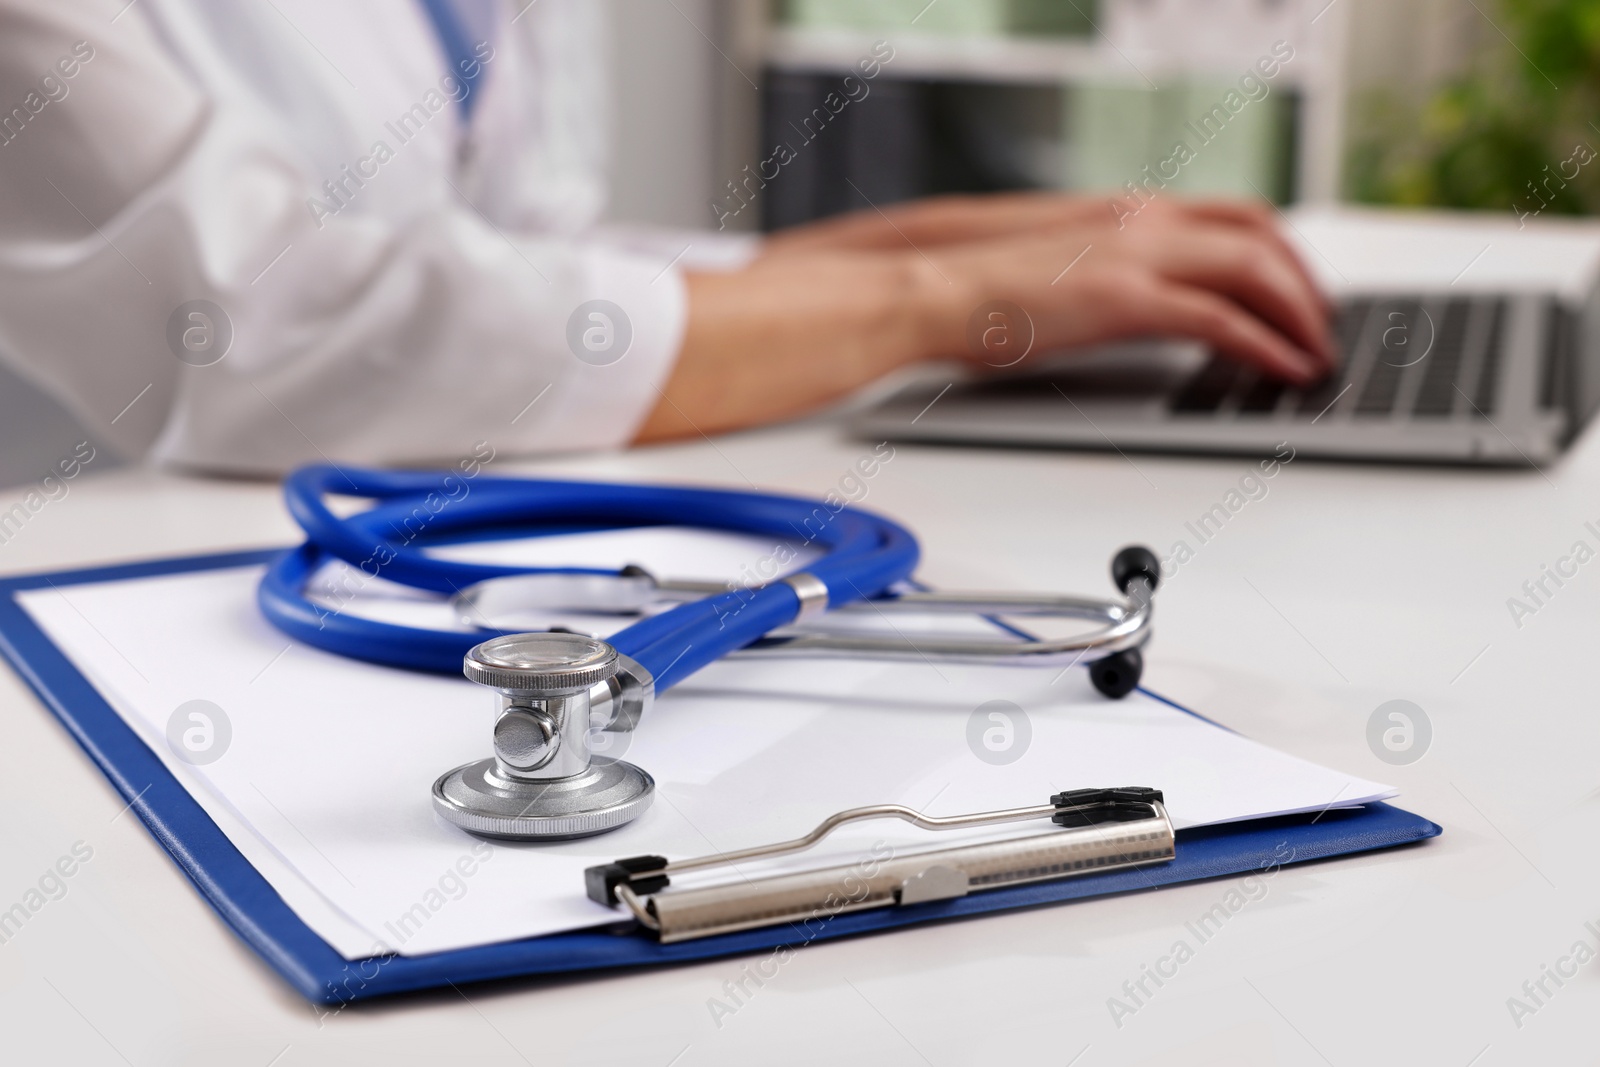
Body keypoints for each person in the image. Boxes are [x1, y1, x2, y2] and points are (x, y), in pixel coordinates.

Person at [0, 0, 1332, 474]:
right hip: (88, 613)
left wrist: (984, 247)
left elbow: (526, 259)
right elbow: (260, 326)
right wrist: (936, 300)